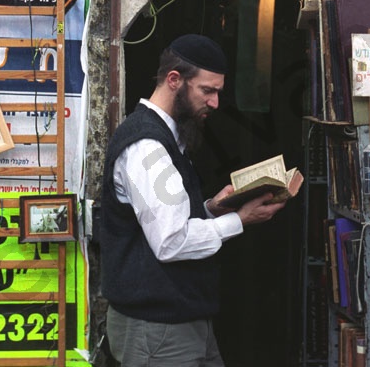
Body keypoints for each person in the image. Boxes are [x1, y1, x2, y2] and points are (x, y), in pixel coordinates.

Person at [100, 34, 286, 366]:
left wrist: (212, 209)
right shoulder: (147, 148)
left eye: (217, 92)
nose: (215, 103)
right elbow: (171, 241)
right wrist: (239, 220)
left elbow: (161, 222)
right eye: (207, 90)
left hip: (180, 325)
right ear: (175, 80)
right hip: (157, 332)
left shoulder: (167, 138)